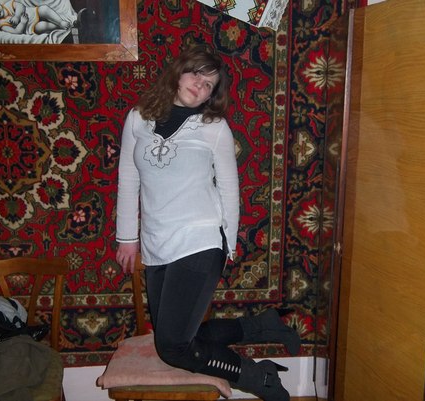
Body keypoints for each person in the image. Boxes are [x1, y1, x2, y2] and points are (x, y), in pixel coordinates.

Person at [115, 46, 301, 401]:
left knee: (172, 347)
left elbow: (230, 188)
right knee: (176, 337)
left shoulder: (213, 128)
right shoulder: (138, 118)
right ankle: (262, 324)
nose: (200, 85)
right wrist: (127, 237)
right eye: (196, 74)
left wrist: (227, 243)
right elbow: (128, 177)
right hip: (156, 243)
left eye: (209, 85)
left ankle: (258, 378)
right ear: (179, 72)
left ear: (212, 96)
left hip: (200, 240)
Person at [0, 0, 70, 34]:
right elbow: (17, 32)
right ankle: (60, 27)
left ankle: (60, 22)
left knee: (44, 9)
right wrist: (23, 23)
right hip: (30, 26)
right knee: (42, 26)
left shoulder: (7, 5)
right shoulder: (1, 24)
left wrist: (17, 16)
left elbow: (20, 6)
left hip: (33, 13)